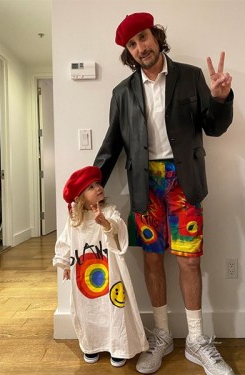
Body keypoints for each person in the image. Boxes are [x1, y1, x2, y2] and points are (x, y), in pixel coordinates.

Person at [93, 12, 235, 375]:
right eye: (132, 44)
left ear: (156, 36)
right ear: (128, 52)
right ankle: (160, 336)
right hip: (145, 186)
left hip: (184, 183)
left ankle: (197, 341)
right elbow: (111, 146)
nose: (141, 47)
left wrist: (220, 99)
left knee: (189, 260)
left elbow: (213, 128)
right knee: (153, 259)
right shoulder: (122, 93)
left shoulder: (190, 77)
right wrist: (88, 187)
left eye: (144, 37)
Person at [53, 166, 148, 368]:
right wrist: (65, 263)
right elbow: (66, 241)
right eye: (90, 187)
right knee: (87, 309)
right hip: (84, 274)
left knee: (114, 307)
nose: (97, 188)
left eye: (97, 184)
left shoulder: (109, 211)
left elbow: (118, 228)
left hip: (111, 272)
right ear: (80, 198)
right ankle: (91, 345)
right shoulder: (74, 220)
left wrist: (104, 222)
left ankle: (118, 346)